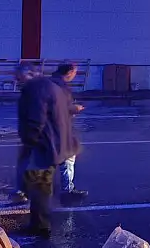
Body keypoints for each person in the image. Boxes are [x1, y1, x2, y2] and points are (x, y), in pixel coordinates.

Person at [17, 70, 79, 238]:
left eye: (19, 75)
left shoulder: (36, 89)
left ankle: (40, 226)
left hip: (44, 145)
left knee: (39, 186)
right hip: (53, 144)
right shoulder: (50, 87)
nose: (17, 79)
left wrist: (30, 141)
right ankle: (39, 224)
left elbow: (36, 119)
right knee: (40, 184)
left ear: (29, 74)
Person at [51, 63, 88, 203]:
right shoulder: (60, 86)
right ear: (70, 72)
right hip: (59, 127)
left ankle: (33, 188)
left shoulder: (52, 82)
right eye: (75, 72)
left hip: (52, 127)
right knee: (67, 157)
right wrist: (73, 109)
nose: (75, 75)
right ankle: (67, 190)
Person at [10, 61, 40, 204]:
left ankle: (23, 191)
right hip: (31, 134)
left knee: (28, 162)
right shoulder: (31, 89)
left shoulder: (32, 89)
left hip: (32, 134)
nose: (16, 79)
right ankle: (24, 190)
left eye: (18, 75)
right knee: (29, 162)